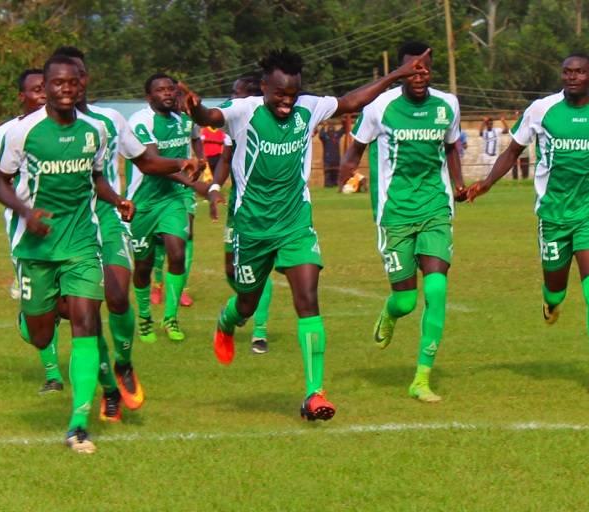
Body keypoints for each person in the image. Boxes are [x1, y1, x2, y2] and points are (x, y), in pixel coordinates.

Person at [181, 46, 431, 421]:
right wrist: (195, 109)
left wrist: (395, 76)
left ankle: (315, 392)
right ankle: (227, 322)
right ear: (264, 87)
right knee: (246, 304)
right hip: (253, 228)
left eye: (292, 94)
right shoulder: (243, 112)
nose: (286, 101)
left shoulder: (308, 108)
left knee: (308, 298)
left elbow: (349, 102)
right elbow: (211, 116)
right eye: (279, 93)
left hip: (296, 223)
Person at [467, 53, 589, 396]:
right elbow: (513, 151)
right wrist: (487, 182)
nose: (572, 77)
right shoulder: (542, 110)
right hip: (552, 217)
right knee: (556, 289)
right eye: (567, 72)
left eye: (579, 72)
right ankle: (550, 302)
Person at [0, 55, 132, 453]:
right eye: (57, 83)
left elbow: (97, 176)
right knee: (41, 334)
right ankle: (31, 315)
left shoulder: (96, 131)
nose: (66, 89)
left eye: (73, 82)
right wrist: (25, 212)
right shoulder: (22, 133)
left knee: (86, 322)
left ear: (83, 83)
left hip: (83, 243)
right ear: (46, 87)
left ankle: (78, 423)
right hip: (35, 248)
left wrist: (117, 199)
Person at [51, 46, 197, 421]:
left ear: (85, 78)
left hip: (106, 217)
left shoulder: (110, 118)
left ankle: (124, 364)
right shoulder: (37, 125)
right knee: (84, 315)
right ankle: (108, 390)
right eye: (65, 78)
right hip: (64, 228)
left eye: (79, 76)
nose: (74, 85)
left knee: (118, 297)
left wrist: (181, 162)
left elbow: (145, 161)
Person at [339, 41, 466, 403]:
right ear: (401, 72)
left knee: (438, 290)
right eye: (412, 68)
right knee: (407, 301)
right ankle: (390, 312)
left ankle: (421, 378)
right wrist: (347, 169)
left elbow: (450, 147)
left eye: (425, 68)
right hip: (394, 213)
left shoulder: (448, 105)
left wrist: (457, 185)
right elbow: (356, 148)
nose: (419, 74)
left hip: (435, 209)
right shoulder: (380, 106)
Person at [0, 69, 60, 394]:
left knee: (73, 299)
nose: (43, 94)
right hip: (25, 230)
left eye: (46, 88)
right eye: (36, 89)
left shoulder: (65, 127)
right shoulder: (4, 134)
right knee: (40, 315)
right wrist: (24, 208)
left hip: (71, 226)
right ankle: (53, 373)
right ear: (22, 96)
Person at [127, 73, 196, 343]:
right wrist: (185, 167)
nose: (167, 93)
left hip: (173, 198)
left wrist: (197, 164)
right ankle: (145, 318)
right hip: (142, 202)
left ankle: (171, 317)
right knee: (143, 265)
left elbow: (195, 144)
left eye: (171, 89)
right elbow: (153, 162)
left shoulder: (184, 122)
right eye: (160, 90)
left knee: (177, 253)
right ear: (149, 97)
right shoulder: (140, 121)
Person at [208, 73, 274, 354]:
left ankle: (259, 332)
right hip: (239, 205)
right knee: (230, 268)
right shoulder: (235, 120)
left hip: (270, 207)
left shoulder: (269, 119)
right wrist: (213, 186)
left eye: (237, 93)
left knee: (262, 266)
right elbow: (225, 158)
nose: (232, 98)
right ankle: (243, 307)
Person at [149, 83, 205, 309]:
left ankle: (182, 288)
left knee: (186, 235)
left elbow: (197, 140)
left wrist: (201, 160)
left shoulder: (188, 120)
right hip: (161, 184)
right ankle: (158, 283)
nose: (173, 96)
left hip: (184, 186)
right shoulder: (153, 121)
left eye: (176, 92)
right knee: (161, 240)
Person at [318, 122, 343, 187]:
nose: (331, 132)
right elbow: (321, 135)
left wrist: (344, 122)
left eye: (332, 130)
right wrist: (323, 126)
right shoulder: (325, 136)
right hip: (328, 158)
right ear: (328, 130)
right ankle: (328, 183)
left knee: (336, 171)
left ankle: (335, 182)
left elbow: (343, 130)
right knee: (328, 172)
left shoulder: (336, 135)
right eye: (330, 130)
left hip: (336, 158)